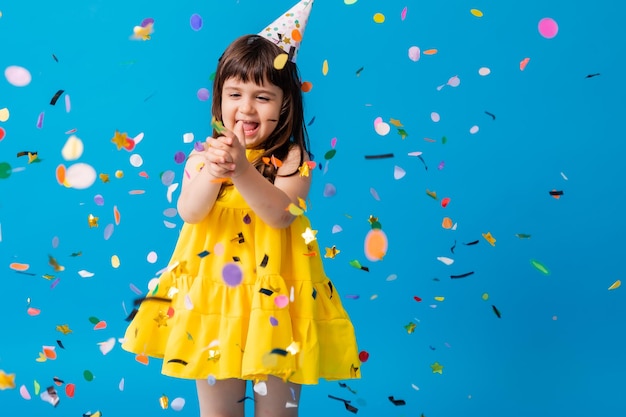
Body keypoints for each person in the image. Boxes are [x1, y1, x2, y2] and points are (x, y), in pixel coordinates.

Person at [121, 2, 360, 416]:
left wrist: (243, 169)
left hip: (277, 304)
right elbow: (191, 213)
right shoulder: (203, 157)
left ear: (285, 104)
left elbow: (280, 213)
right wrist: (215, 172)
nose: (246, 108)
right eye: (235, 94)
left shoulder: (293, 161)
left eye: (262, 97)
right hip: (215, 304)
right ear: (219, 99)